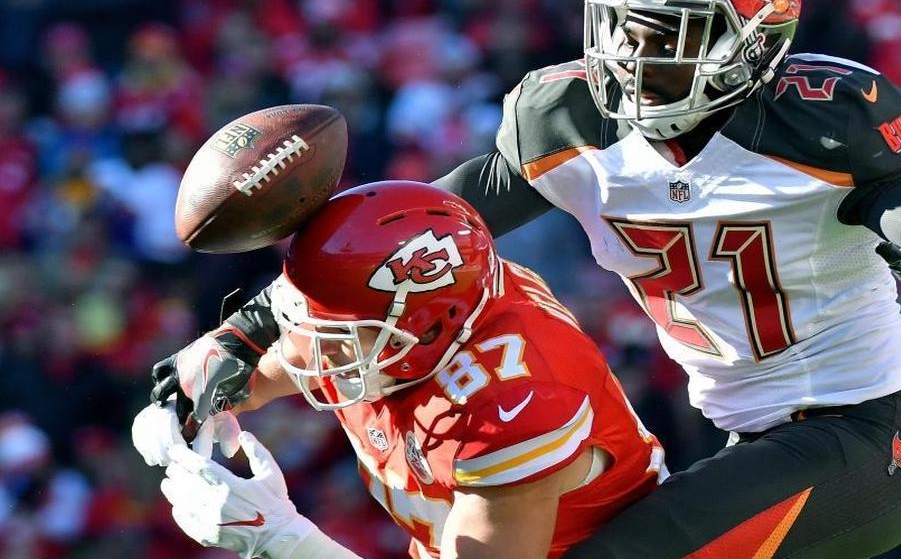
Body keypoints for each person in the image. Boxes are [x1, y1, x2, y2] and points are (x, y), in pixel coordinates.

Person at [150, 0, 901, 557]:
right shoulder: (572, 116)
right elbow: (417, 233)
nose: (626, 54)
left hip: (863, 438)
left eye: (665, 38)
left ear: (747, 49)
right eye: (622, 24)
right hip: (737, 433)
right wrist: (248, 330)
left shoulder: (820, 132)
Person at [134, 180, 666, 559]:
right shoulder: (402, 322)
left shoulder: (509, 412)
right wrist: (187, 402)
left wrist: (283, 542)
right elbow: (267, 371)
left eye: (336, 339)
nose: (313, 353)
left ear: (427, 329)